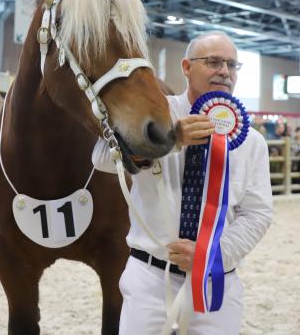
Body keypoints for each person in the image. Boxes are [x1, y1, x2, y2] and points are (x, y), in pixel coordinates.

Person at [92, 31, 273, 334]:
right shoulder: (154, 112)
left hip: (216, 280)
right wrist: (170, 140)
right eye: (213, 62)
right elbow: (100, 158)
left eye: (231, 65)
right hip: (149, 276)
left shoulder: (251, 141)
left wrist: (211, 254)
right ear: (187, 67)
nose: (224, 72)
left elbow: (258, 213)